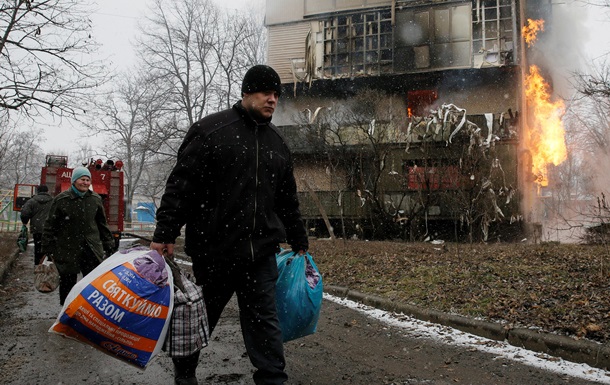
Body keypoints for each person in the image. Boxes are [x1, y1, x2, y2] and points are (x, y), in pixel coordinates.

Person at [151, 64, 309, 385]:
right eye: (266, 92)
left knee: (265, 323)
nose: (272, 99)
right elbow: (181, 188)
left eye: (276, 94)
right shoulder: (210, 132)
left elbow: (287, 200)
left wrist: (298, 238)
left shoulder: (278, 144)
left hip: (261, 254)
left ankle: (272, 379)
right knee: (200, 317)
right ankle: (185, 375)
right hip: (216, 251)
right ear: (247, 92)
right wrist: (165, 233)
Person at [41, 167, 116, 305]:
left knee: (92, 282)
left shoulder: (95, 199)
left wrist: (109, 244)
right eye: (82, 179)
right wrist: (47, 247)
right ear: (74, 181)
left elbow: (102, 224)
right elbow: (50, 225)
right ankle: (66, 311)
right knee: (67, 283)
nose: (85, 183)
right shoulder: (62, 200)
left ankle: (88, 311)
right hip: (67, 249)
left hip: (91, 249)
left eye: (88, 180)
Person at [20, 185, 53, 265]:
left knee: (38, 249)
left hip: (37, 229)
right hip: (50, 230)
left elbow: (24, 213)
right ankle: (49, 268)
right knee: (49, 250)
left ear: (37, 191)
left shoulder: (32, 201)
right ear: (47, 191)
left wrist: (25, 222)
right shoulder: (53, 201)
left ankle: (38, 267)